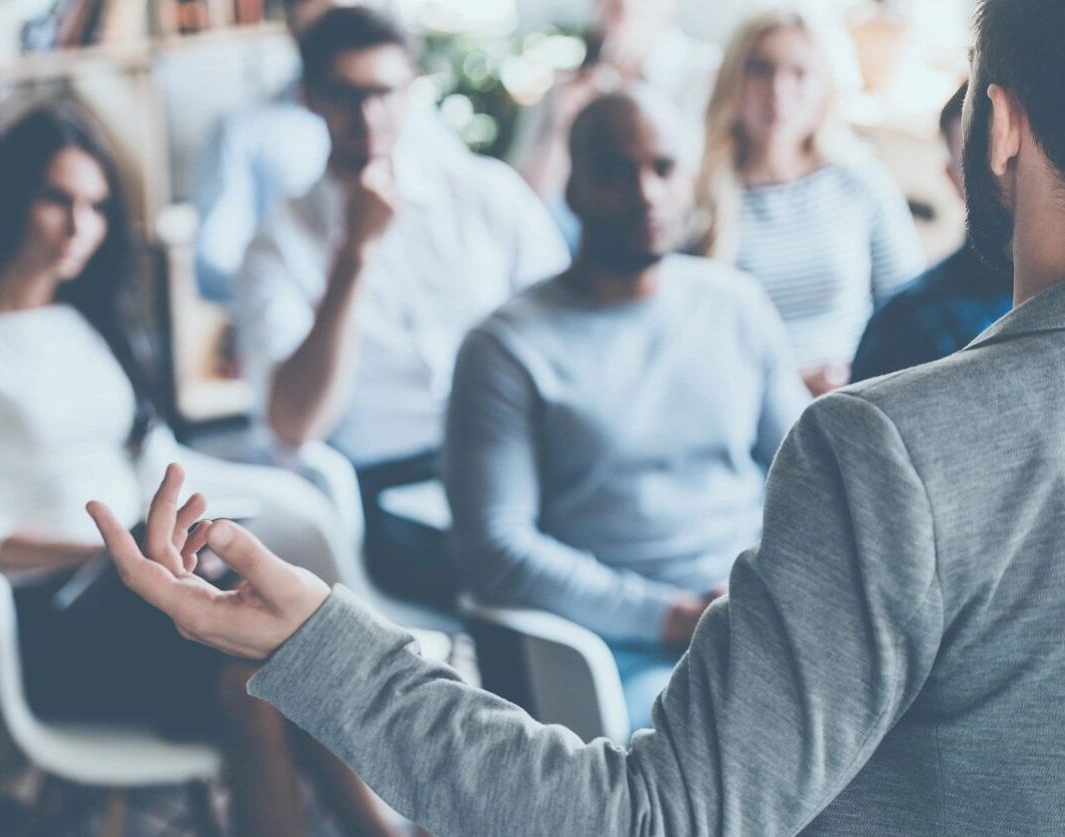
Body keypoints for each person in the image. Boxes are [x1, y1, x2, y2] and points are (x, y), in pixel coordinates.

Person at [92, 0, 1065, 830]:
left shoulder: (870, 440)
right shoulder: (493, 337)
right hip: (488, 540)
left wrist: (312, 641)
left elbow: (655, 818)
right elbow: (477, 533)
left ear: (996, 125)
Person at [0, 107, 404, 837]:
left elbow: (157, 461)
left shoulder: (84, 324)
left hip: (151, 596)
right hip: (47, 624)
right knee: (274, 658)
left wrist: (190, 534)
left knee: (268, 667)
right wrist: (119, 556)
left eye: (97, 206)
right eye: (57, 199)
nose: (80, 225)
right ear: (11, 199)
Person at [446, 90, 809, 734]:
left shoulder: (735, 305)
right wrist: (669, 616)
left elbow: (811, 474)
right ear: (573, 188)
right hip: (613, 650)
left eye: (663, 168)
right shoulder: (505, 347)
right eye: (615, 171)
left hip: (759, 614)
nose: (646, 193)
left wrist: (775, 592)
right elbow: (496, 549)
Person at [238, 6, 569, 608]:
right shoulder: (280, 242)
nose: (367, 118)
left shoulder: (484, 193)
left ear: (411, 88)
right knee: (522, 555)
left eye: (383, 94)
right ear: (311, 98)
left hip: (520, 453)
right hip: (394, 483)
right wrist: (353, 257)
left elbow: (570, 328)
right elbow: (294, 422)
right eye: (345, 96)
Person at [697, 6, 925, 396]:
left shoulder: (860, 181)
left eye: (799, 73)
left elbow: (911, 308)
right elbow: (691, 341)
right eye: (760, 69)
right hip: (742, 400)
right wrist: (786, 384)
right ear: (733, 78)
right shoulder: (702, 197)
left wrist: (860, 376)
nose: (777, 91)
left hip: (853, 396)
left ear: (824, 87)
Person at [193, 0, 464, 301]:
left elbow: (465, 206)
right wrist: (277, 290)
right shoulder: (243, 131)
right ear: (289, 21)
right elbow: (213, 261)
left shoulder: (411, 115)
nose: (367, 117)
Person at [509, 0, 721, 248]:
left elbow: (696, 191)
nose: (622, 3)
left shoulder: (701, 74)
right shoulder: (564, 87)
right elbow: (522, 203)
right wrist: (560, 128)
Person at [851, 82, 1013, 382]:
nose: (1000, 171)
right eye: (977, 161)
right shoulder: (906, 322)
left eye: (1012, 152)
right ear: (952, 178)